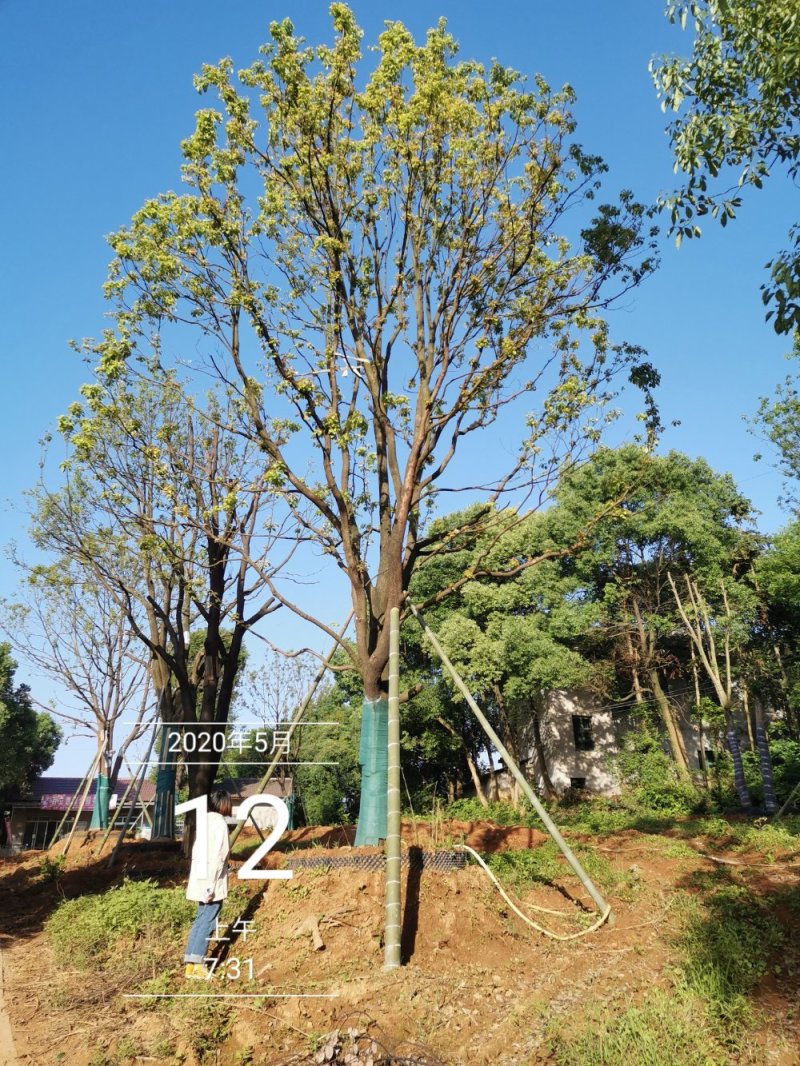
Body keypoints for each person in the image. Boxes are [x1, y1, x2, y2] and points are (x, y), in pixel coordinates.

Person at [183, 789, 232, 980]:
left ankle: (190, 963)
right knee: (208, 921)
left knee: (200, 919)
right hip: (211, 881)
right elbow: (219, 857)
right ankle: (198, 965)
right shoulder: (220, 824)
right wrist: (211, 885)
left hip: (199, 878)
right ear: (224, 804)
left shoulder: (204, 822)